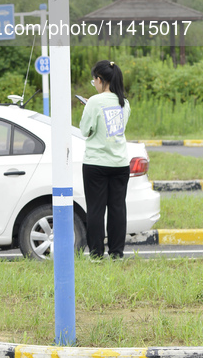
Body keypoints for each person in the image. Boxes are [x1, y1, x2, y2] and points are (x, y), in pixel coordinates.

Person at [79, 60, 131, 259]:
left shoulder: (94, 101)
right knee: (118, 208)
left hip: (96, 164)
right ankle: (117, 253)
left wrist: (89, 106)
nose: (95, 84)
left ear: (100, 80)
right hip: (120, 164)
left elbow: (86, 130)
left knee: (96, 209)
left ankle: (96, 255)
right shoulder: (124, 102)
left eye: (94, 81)